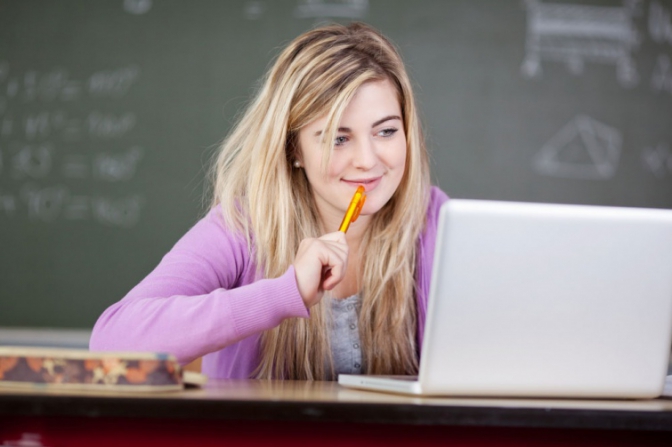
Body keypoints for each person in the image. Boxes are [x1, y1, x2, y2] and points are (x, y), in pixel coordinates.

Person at [89, 22, 448, 381]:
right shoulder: (241, 228)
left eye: (386, 131)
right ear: (295, 149)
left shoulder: (436, 221)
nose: (367, 161)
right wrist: (285, 293)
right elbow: (110, 344)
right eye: (338, 139)